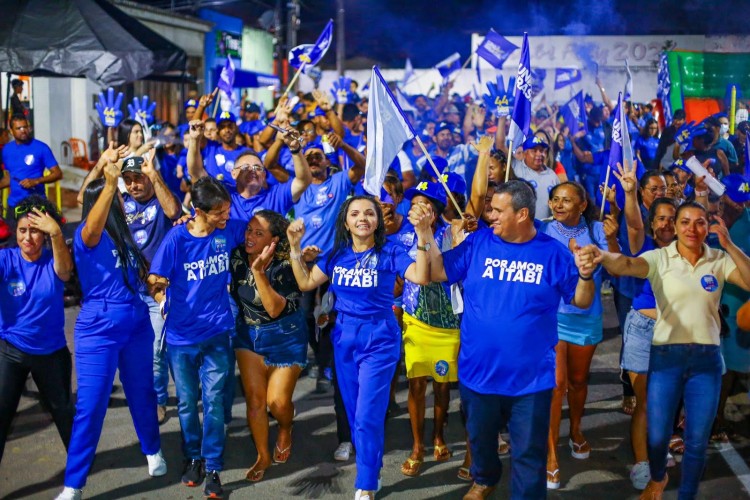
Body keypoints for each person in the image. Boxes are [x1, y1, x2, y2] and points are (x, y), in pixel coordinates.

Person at [425, 180, 597, 499]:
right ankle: (486, 477)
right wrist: (426, 235)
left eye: (497, 210)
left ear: (521, 214)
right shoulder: (478, 244)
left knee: (529, 457)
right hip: (478, 375)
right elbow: (437, 272)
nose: (490, 216)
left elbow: (582, 300)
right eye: (491, 209)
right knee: (480, 440)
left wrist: (586, 275)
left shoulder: (553, 254)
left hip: (530, 382)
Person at [582, 201, 750, 499]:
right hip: (666, 358)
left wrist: (730, 244)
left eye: (700, 222)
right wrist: (602, 255)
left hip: (706, 362)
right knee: (658, 436)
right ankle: (657, 478)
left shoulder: (719, 259)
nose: (692, 229)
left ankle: (686, 494)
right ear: (675, 226)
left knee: (697, 441)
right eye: (685, 222)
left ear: (707, 227)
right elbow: (627, 265)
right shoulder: (660, 258)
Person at [286, 195, 432, 500]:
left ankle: (365, 481)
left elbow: (421, 276)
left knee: (367, 415)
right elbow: (305, 283)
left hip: (379, 338)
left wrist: (422, 236)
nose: (362, 218)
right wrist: (295, 248)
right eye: (355, 213)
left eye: (369, 213)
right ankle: (372, 464)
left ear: (378, 220)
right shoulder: (337, 254)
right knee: (354, 416)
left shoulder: (391, 250)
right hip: (344, 338)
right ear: (346, 221)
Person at [56, 149, 165, 500]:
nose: (119, 199)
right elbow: (92, 211)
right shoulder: (89, 239)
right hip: (98, 329)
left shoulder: (126, 239)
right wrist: (107, 178)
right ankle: (73, 484)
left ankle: (152, 450)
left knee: (142, 394)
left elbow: (140, 277)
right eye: (114, 196)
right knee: (91, 406)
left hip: (135, 322)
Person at [148, 176, 247, 499]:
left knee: (215, 402)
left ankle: (214, 466)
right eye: (219, 212)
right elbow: (155, 278)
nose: (226, 216)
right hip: (181, 338)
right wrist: (163, 301)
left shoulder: (228, 231)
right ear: (198, 211)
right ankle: (193, 457)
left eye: (227, 210)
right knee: (189, 403)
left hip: (218, 333)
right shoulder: (176, 239)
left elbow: (256, 231)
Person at [541, 181, 620, 490]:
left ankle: (575, 430)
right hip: (553, 317)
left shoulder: (598, 230)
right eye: (555, 200)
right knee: (556, 385)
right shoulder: (543, 232)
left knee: (578, 382)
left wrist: (611, 242)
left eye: (567, 200)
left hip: (586, 319)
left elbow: (615, 270)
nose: (559, 205)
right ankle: (551, 455)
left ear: (583, 205)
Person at [229, 210, 307, 482]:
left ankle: (286, 426)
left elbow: (274, 309)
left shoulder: (288, 265)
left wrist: (258, 272)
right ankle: (262, 455)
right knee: (255, 402)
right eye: (249, 230)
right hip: (248, 337)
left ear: (273, 240)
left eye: (258, 233)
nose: (249, 236)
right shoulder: (236, 255)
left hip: (286, 337)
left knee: (277, 402)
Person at [0, 195, 73, 465]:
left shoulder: (55, 259)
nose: (28, 237)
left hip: (51, 354)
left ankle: (78, 476)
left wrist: (55, 231)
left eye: (34, 230)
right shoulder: (6, 260)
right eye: (22, 230)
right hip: (11, 352)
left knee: (64, 415)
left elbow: (65, 272)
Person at [398, 182, 460, 478]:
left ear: (433, 212)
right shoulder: (400, 237)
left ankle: (439, 435)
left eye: (421, 205)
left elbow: (442, 270)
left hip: (447, 323)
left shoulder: (453, 234)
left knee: (442, 385)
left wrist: (427, 235)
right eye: (412, 205)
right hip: (416, 320)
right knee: (416, 384)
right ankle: (417, 445)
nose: (414, 209)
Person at [0, 115, 62, 223]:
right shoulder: (6, 150)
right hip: (14, 205)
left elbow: (57, 173)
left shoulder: (41, 148)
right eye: (18, 128)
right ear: (11, 131)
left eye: (25, 127)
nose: (23, 131)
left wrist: (36, 181)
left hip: (36, 205)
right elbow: (10, 177)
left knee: (35, 239)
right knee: (12, 239)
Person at [509, 135, 559, 219]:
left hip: (546, 226)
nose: (539, 154)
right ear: (525, 153)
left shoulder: (552, 175)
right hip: (523, 226)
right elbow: (500, 145)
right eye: (534, 150)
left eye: (542, 150)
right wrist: (502, 121)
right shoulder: (516, 167)